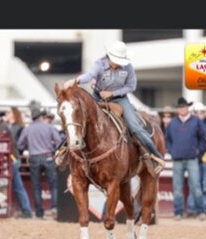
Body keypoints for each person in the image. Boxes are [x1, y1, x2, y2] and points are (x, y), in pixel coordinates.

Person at [64, 40, 165, 176]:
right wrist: (76, 80)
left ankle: (155, 156)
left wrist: (112, 93)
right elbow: (89, 76)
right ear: (109, 56)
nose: (117, 63)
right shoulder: (99, 64)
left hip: (120, 99)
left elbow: (131, 86)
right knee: (78, 118)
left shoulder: (128, 67)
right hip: (98, 97)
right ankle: (63, 150)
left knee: (135, 127)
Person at [165, 97, 206, 221]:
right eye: (180, 107)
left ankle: (201, 211)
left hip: (192, 158)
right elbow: (167, 139)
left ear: (188, 107)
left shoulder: (196, 121)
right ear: (178, 109)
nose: (182, 109)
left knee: (195, 186)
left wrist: (198, 151)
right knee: (177, 188)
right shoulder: (172, 123)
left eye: (183, 107)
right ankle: (178, 212)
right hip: (177, 159)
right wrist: (171, 151)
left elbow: (203, 138)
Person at [17, 108, 62, 219]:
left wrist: (30, 146)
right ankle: (54, 207)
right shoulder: (49, 127)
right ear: (41, 116)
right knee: (53, 184)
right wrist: (51, 147)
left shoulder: (28, 129)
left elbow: (20, 145)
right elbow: (59, 142)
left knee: (36, 186)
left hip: (34, 157)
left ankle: (39, 213)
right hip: (48, 156)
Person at [0, 108, 33, 219]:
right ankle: (25, 210)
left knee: (12, 185)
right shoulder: (1, 127)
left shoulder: (1, 128)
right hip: (12, 159)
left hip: (11, 160)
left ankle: (15, 209)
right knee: (17, 186)